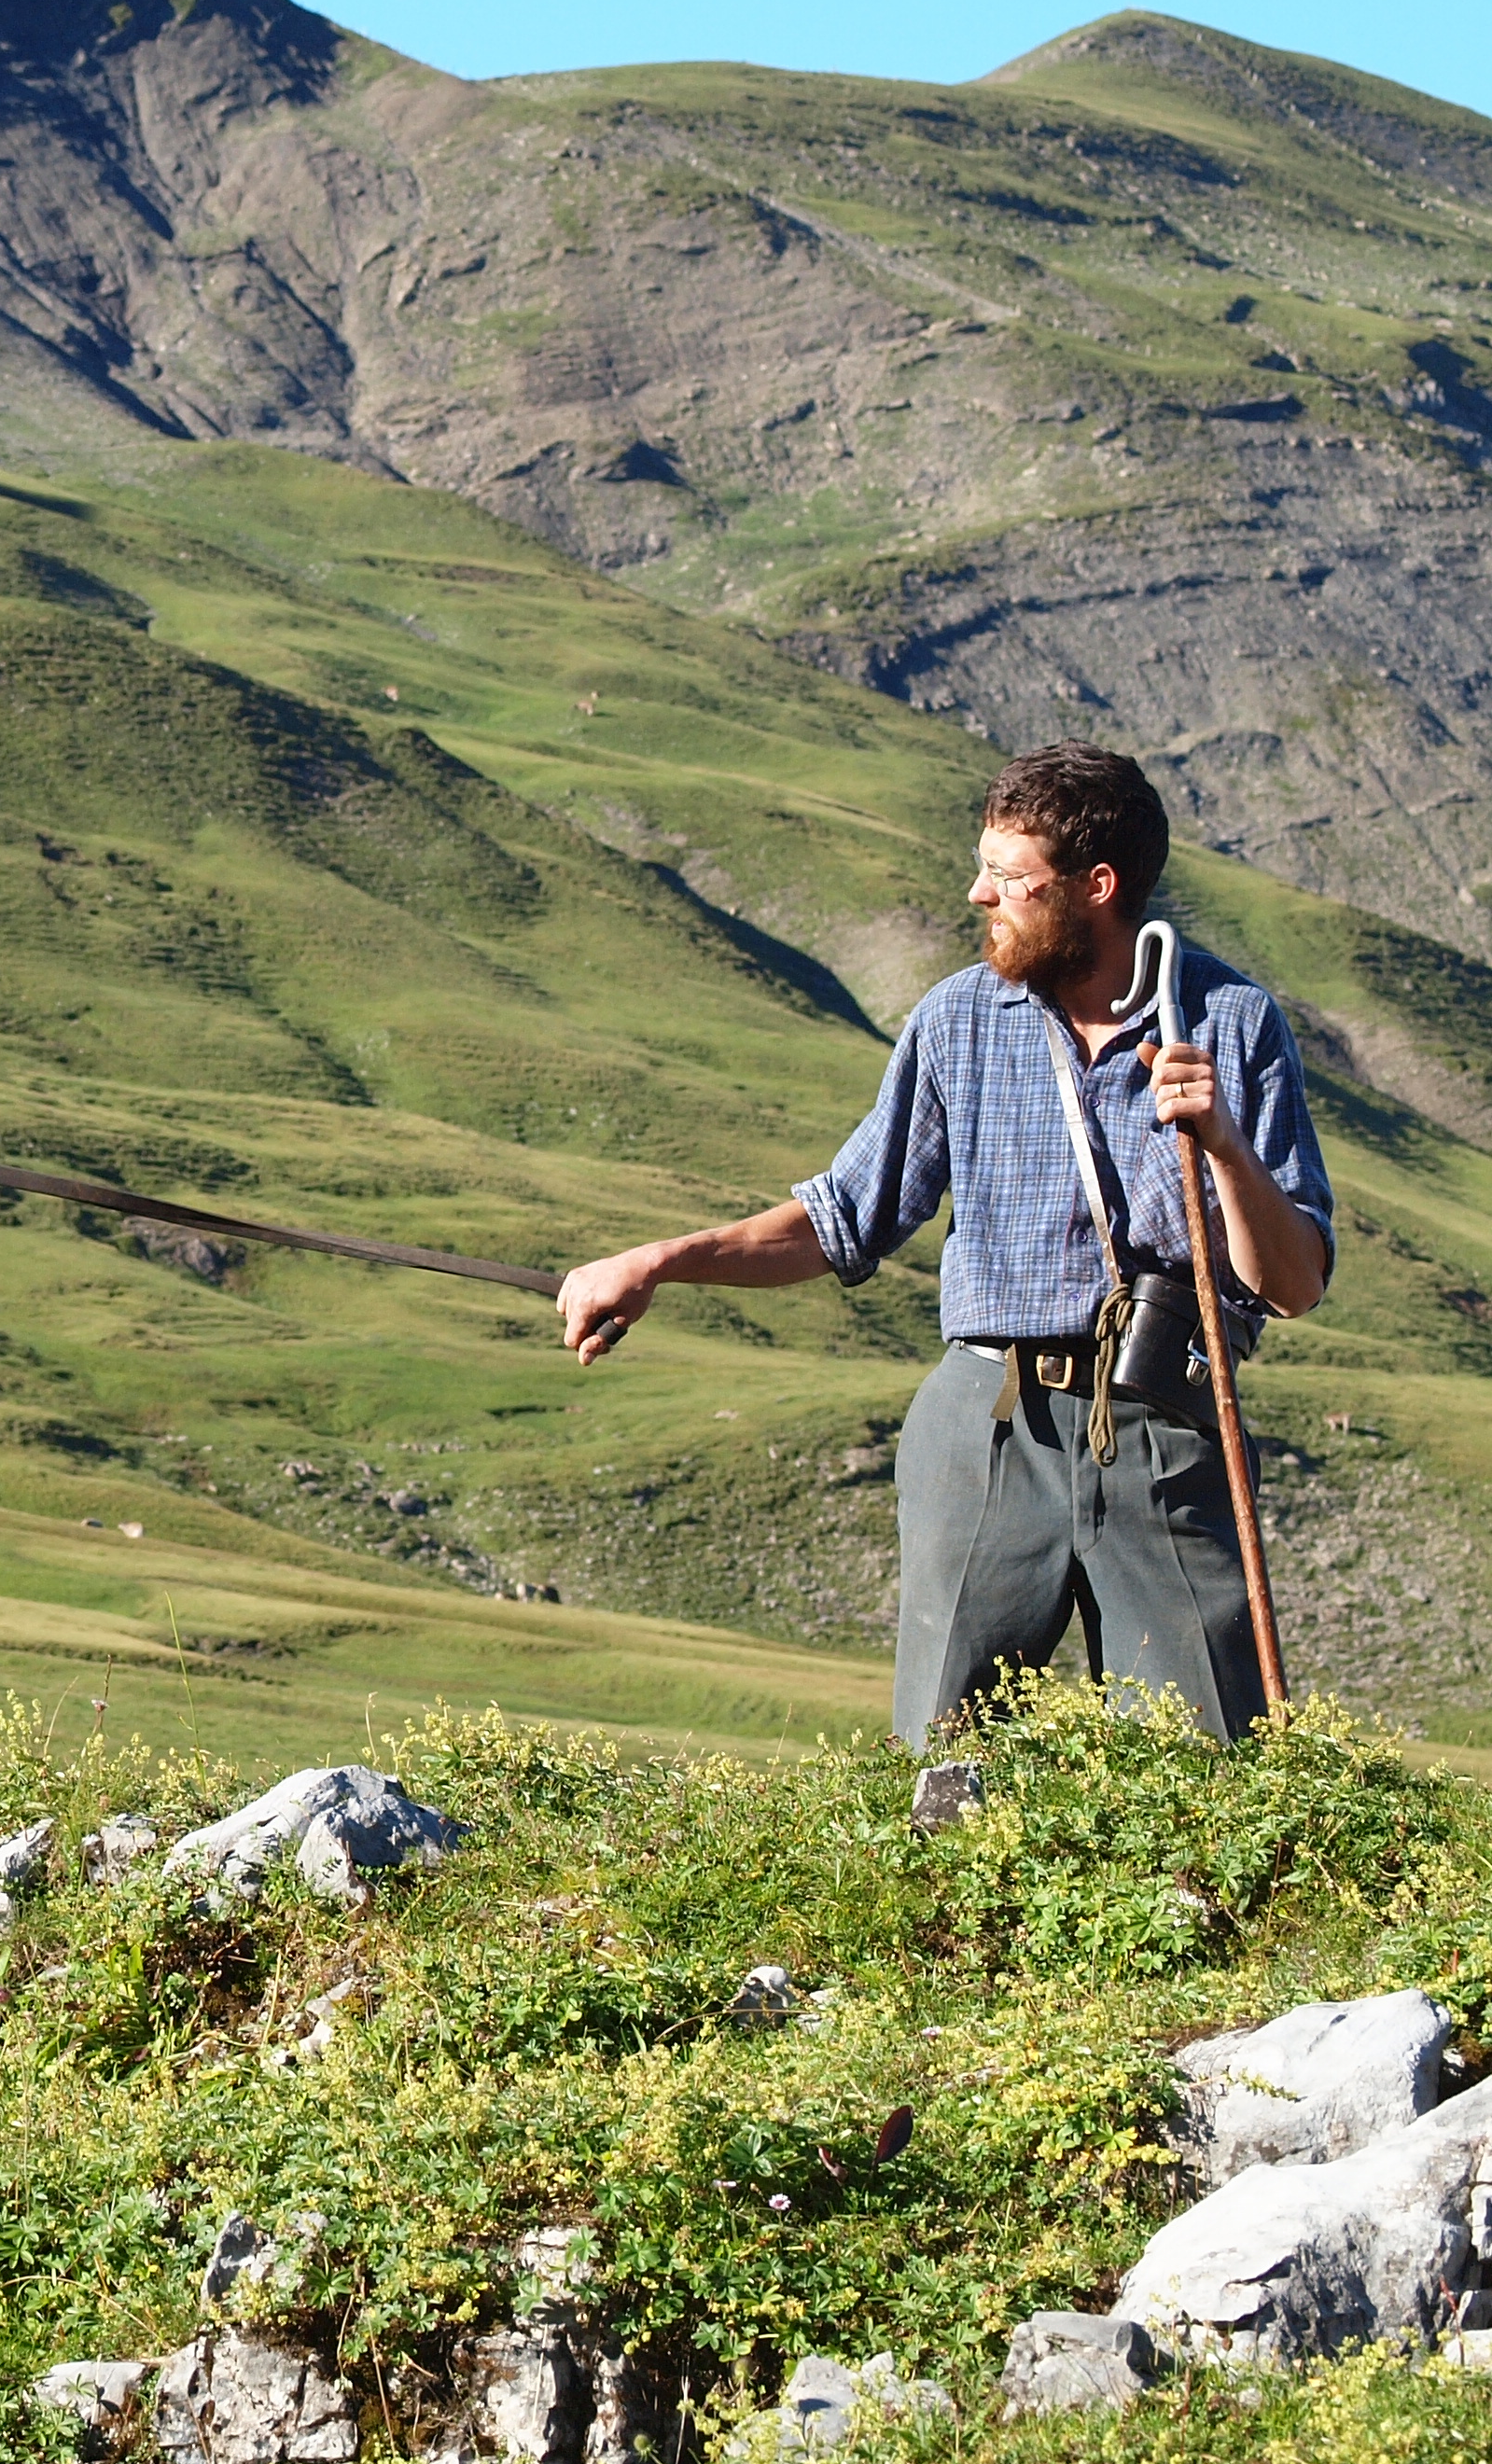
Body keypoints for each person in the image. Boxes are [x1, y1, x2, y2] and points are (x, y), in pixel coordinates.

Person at [557, 744, 1332, 1745]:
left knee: (1207, 1767)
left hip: (1167, 1427)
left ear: (1097, 888)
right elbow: (843, 1219)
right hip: (986, 1425)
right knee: (945, 1763)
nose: (979, 894)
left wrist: (1225, 1146)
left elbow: (1294, 1284)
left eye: (1011, 878)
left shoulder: (1230, 1022)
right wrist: (657, 1261)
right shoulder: (959, 1018)